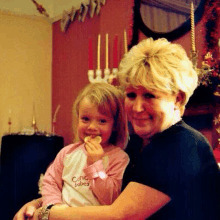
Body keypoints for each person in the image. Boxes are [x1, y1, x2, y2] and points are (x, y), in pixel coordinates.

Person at [14, 38, 220, 220]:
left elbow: (120, 215)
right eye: (131, 95)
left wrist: (47, 213)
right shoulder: (137, 143)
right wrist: (38, 203)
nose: (137, 108)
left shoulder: (183, 144)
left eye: (150, 95)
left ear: (178, 98)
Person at [36, 82, 130, 209]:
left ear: (114, 125)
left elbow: (111, 198)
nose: (92, 127)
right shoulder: (67, 153)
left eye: (102, 121)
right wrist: (55, 207)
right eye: (85, 119)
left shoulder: (119, 159)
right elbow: (50, 182)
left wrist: (95, 166)